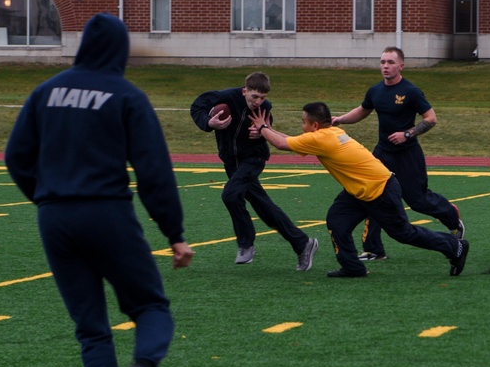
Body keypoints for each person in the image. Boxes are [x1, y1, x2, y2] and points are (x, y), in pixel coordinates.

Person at [5, 13, 194, 367]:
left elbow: (16, 156)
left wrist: (47, 199)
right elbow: (153, 171)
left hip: (54, 218)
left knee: (91, 328)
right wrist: (174, 233)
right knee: (149, 306)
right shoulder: (126, 94)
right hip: (107, 212)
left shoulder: (46, 91)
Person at [250, 101, 469, 278]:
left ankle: (454, 247)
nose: (302, 126)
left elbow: (281, 144)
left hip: (379, 189)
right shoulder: (331, 132)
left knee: (403, 233)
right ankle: (352, 267)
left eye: (304, 122)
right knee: (337, 220)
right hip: (360, 190)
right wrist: (267, 128)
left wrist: (262, 128)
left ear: (315, 126)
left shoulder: (320, 139)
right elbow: (291, 140)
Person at [331, 47, 463, 262]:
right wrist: (340, 119)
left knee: (417, 200)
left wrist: (407, 134)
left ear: (401, 65)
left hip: (407, 154)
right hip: (382, 153)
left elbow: (431, 118)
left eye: (391, 62)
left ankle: (451, 216)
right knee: (374, 196)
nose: (385, 66)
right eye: (382, 62)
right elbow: (363, 110)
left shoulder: (410, 91)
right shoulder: (375, 91)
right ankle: (374, 248)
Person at [190, 72, 319, 271]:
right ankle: (302, 243)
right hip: (231, 162)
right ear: (244, 91)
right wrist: (208, 122)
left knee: (230, 195)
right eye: (254, 97)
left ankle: (245, 244)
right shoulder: (225, 97)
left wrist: (261, 132)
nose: (258, 102)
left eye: (262, 97)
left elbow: (267, 128)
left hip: (253, 158)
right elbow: (197, 106)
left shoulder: (265, 108)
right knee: (264, 207)